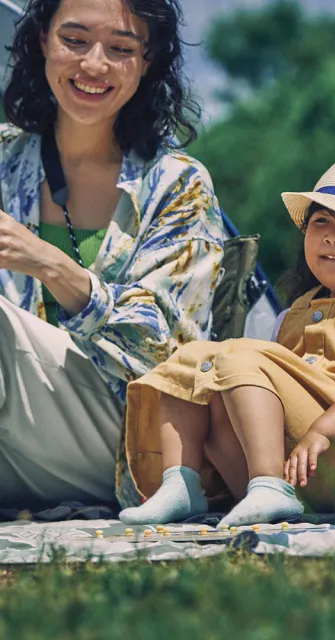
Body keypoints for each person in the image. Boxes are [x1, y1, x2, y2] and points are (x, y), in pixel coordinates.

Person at [118, 155, 335, 526]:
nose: (333, 234)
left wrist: (322, 430)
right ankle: (183, 482)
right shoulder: (289, 316)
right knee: (196, 360)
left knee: (238, 357)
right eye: (321, 220)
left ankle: (269, 486)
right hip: (290, 470)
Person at [0, 0, 223, 507]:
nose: (93, 65)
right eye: (74, 40)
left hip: (125, 442)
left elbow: (168, 352)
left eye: (120, 48)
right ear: (42, 42)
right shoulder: (4, 158)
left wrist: (54, 266)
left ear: (147, 62)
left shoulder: (177, 185)